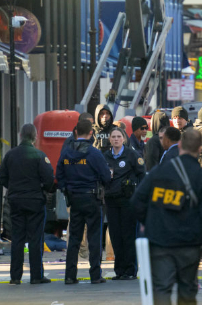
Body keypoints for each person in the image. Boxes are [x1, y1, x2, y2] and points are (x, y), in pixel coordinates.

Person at [131, 129, 202, 305]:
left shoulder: (159, 172)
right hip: (189, 243)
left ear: (180, 145)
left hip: (160, 240)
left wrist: (147, 222)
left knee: (161, 287)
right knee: (187, 288)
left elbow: (137, 200)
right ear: (199, 149)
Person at [56, 119, 111, 284]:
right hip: (92, 198)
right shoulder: (94, 153)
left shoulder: (66, 153)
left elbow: (59, 176)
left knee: (74, 238)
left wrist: (68, 191)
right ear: (91, 133)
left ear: (75, 133)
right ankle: (95, 275)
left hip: (74, 199)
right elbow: (106, 177)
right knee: (94, 237)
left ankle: (70, 275)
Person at [0, 124, 55, 285]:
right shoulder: (39, 155)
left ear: (20, 135)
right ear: (35, 136)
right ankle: (36, 275)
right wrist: (42, 190)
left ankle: (15, 277)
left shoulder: (10, 155)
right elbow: (49, 179)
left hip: (16, 201)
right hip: (35, 202)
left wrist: (14, 188)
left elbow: (2, 177)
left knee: (17, 238)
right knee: (35, 239)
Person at [103, 127, 146, 280]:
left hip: (128, 201)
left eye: (118, 136)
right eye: (113, 136)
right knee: (115, 236)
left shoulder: (132, 154)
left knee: (128, 235)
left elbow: (142, 174)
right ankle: (119, 270)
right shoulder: (106, 156)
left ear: (123, 139)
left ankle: (130, 270)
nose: (116, 139)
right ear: (110, 139)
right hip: (111, 200)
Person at [61, 112, 95, 260]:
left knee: (83, 224)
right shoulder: (70, 143)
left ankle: (81, 251)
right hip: (76, 190)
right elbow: (63, 166)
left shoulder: (93, 141)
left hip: (83, 189)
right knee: (75, 223)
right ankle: (77, 251)